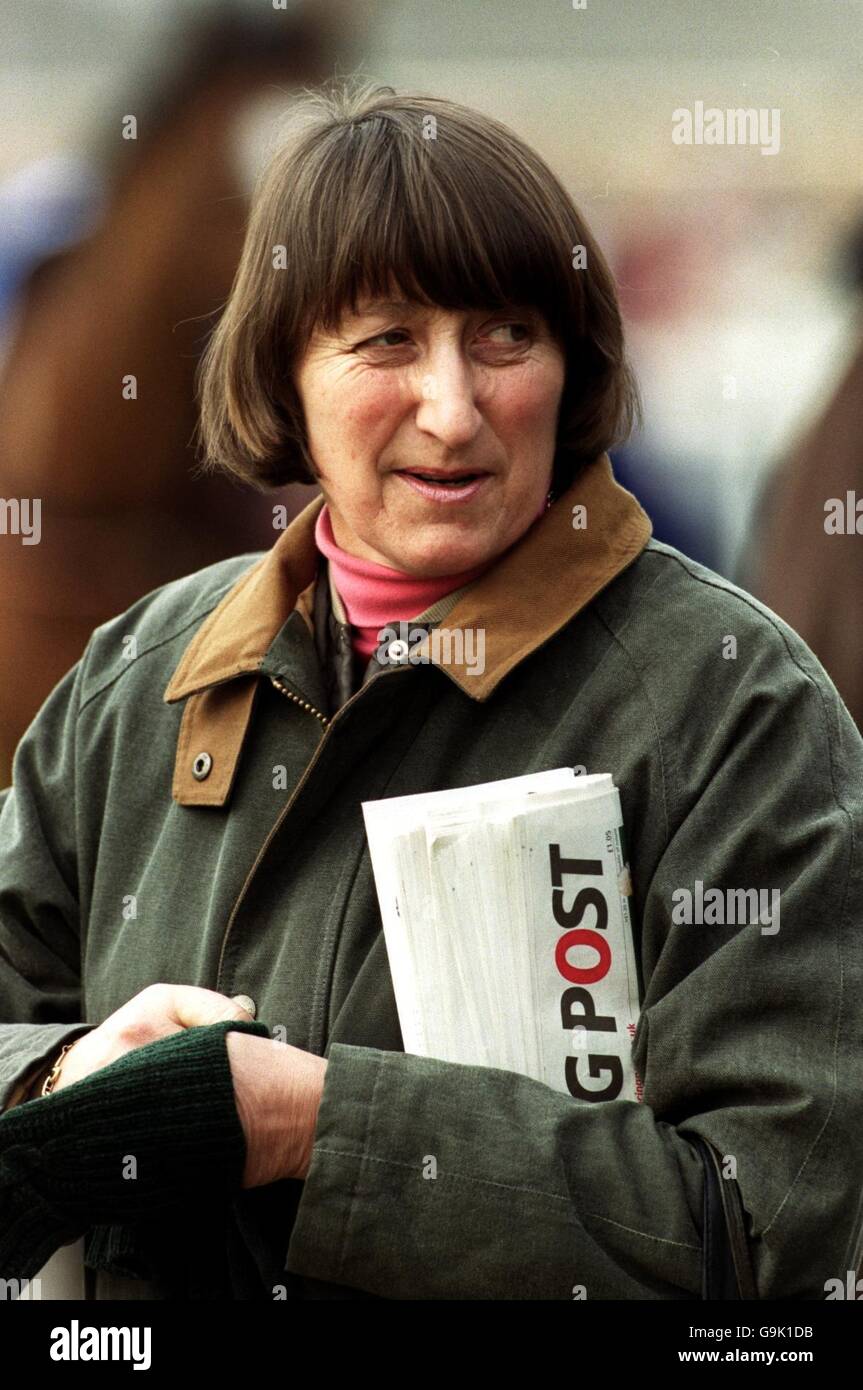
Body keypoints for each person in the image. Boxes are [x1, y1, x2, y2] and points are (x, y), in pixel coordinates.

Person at [1, 82, 861, 1302]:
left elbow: (768, 1226)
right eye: (385, 340)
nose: (452, 411)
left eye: (505, 335)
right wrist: (69, 1078)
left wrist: (311, 1125)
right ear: (283, 374)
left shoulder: (737, 711)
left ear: (573, 367)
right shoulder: (130, 682)